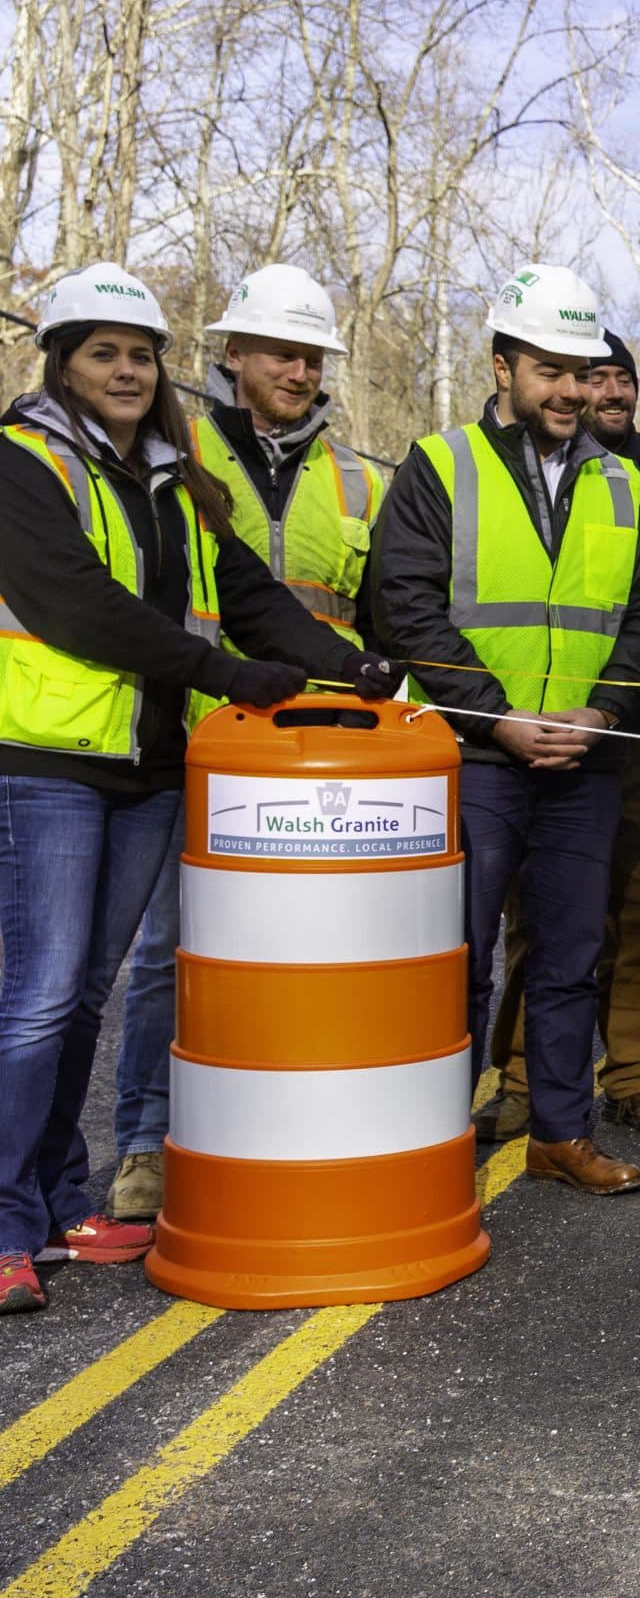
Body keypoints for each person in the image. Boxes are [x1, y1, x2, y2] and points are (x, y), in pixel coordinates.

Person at [0, 264, 396, 1315]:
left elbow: (255, 599)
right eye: (103, 353)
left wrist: (346, 665)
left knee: (86, 991)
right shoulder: (21, 462)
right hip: (44, 764)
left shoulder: (172, 478)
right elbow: (75, 603)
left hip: (148, 765)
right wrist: (224, 676)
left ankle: (47, 1203)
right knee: (36, 1002)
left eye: (139, 355)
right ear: (62, 363)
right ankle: (1, 1224)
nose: (126, 371)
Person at [368, 262, 640, 1198]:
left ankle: (559, 1133)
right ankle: (430, 1133)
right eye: (550, 368)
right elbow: (403, 605)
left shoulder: (625, 484)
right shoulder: (440, 464)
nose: (572, 388)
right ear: (502, 366)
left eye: (582, 370)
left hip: (582, 760)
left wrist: (602, 710)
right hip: (471, 757)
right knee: (452, 958)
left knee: (573, 958)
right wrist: (499, 719)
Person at [106, 262, 386, 1223]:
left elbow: (376, 613)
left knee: (309, 955)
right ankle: (146, 1143)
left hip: (320, 757)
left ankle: (280, 1127)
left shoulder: (357, 476)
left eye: (310, 356)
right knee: (170, 953)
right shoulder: (177, 457)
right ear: (233, 356)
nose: (298, 370)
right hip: (193, 741)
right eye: (278, 351)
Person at [481, 328, 640, 1143]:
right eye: (591, 377)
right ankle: (523, 1077)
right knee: (542, 923)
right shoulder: (526, 475)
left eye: (620, 380)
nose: (607, 392)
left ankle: (637, 1074)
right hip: (546, 738)